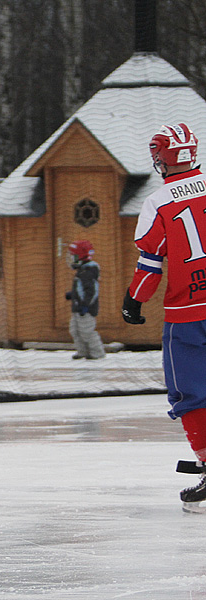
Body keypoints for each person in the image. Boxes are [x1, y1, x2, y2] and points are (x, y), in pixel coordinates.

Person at [122, 123, 206, 512]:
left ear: (163, 158)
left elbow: (151, 263)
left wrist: (134, 300)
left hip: (188, 311)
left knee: (190, 390)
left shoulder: (159, 202)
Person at [65, 240, 105, 360]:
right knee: (75, 330)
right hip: (78, 306)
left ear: (80, 256)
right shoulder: (81, 271)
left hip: (86, 308)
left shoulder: (88, 271)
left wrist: (86, 305)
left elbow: (91, 291)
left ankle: (97, 353)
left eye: (73, 256)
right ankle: (83, 352)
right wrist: (73, 295)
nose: (71, 259)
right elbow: (81, 289)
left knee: (87, 331)